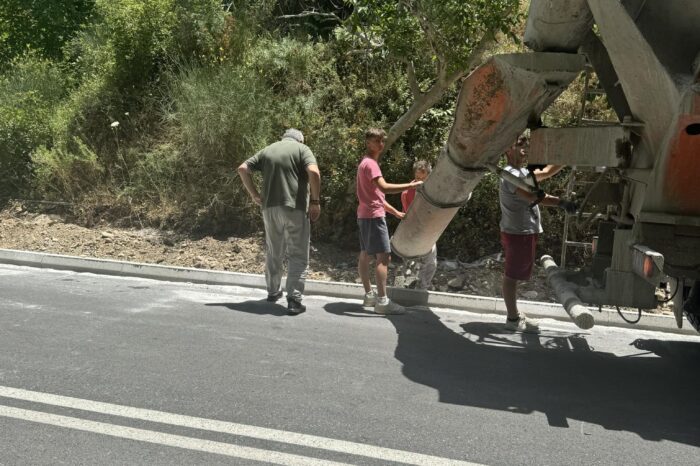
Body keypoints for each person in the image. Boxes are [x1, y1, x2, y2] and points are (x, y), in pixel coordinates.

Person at [238, 128, 321, 315]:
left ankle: (273, 292)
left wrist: (254, 194)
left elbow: (243, 169)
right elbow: (314, 173)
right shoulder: (302, 150)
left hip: (270, 208)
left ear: (283, 138)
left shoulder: (268, 150)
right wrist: (315, 201)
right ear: (300, 139)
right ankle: (294, 300)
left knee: (274, 250)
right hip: (295, 207)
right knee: (298, 254)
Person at [499, 133, 576, 333]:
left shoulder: (521, 172)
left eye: (527, 145)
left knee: (515, 273)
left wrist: (568, 156)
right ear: (508, 150)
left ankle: (513, 314)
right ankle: (512, 319)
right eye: (520, 145)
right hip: (518, 231)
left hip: (523, 230)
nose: (525, 149)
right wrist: (561, 202)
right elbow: (533, 196)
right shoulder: (511, 174)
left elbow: (548, 171)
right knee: (512, 275)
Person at [357, 128, 423, 315]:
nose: (380, 144)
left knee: (365, 254)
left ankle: (369, 295)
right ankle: (382, 301)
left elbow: (375, 196)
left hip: (364, 215)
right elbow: (384, 188)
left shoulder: (364, 163)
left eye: (382, 141)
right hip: (374, 217)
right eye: (376, 141)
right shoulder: (371, 165)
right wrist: (411, 185)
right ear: (368, 142)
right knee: (383, 257)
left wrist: (395, 212)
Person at [400, 160, 437, 290]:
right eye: (417, 178)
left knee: (431, 263)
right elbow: (406, 215)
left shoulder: (434, 190)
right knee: (410, 263)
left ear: (429, 176)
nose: (420, 181)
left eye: (423, 178)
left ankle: (423, 288)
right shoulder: (406, 192)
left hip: (429, 231)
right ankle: (405, 289)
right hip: (412, 231)